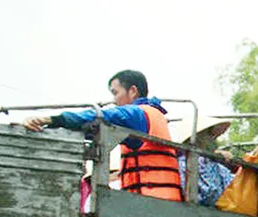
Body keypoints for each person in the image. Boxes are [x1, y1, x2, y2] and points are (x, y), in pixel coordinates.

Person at [22, 69, 182, 201]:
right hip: (159, 198)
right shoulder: (154, 115)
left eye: (115, 92)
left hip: (152, 199)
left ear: (132, 91)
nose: (113, 100)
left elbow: (100, 116)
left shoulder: (137, 114)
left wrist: (50, 120)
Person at [172, 116, 235, 207]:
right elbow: (211, 193)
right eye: (210, 135)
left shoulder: (212, 163)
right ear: (198, 136)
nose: (214, 140)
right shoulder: (185, 163)